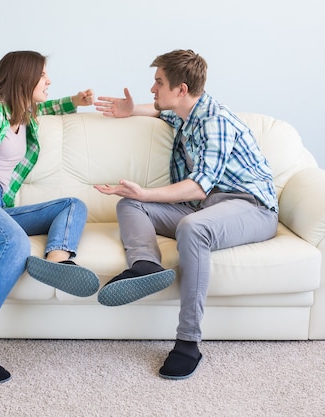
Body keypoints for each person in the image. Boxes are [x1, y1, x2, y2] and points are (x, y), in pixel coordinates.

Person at [94, 49, 278, 380]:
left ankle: (188, 342)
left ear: (180, 88)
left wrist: (146, 191)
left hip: (250, 207)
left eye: (158, 82)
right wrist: (130, 110)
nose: (152, 89)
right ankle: (145, 266)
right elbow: (160, 111)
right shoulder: (186, 113)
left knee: (192, 228)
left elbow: (198, 187)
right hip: (208, 207)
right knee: (130, 204)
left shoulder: (215, 122)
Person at [0, 50, 99, 383]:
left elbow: (50, 106)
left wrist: (76, 101)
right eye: (43, 76)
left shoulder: (26, 113)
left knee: (72, 204)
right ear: (24, 77)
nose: (49, 80)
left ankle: (58, 261)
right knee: (13, 243)